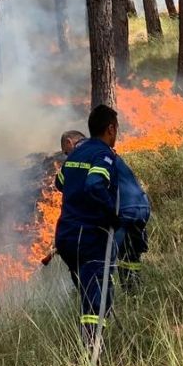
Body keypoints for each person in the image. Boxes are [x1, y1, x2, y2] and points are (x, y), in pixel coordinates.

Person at [54, 105, 120, 348]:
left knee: (89, 289)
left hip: (66, 236)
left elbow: (59, 183)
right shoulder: (103, 154)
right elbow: (94, 184)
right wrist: (111, 214)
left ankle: (95, 340)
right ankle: (92, 352)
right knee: (95, 294)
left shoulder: (75, 154)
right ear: (110, 129)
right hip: (89, 236)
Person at [59, 130, 150, 292]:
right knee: (130, 256)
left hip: (120, 211)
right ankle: (134, 295)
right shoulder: (105, 150)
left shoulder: (79, 155)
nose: (68, 155)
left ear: (69, 142)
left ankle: (96, 297)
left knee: (98, 257)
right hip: (140, 206)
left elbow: (61, 184)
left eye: (66, 152)